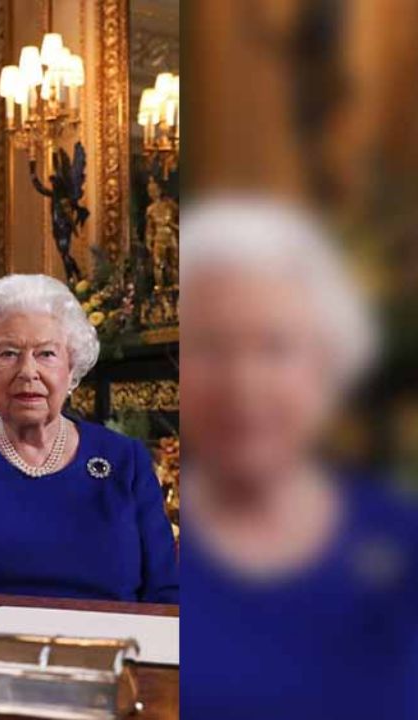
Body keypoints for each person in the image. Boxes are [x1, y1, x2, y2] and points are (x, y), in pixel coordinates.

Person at [177, 198, 418, 719]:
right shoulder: (157, 537)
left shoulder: (401, 537)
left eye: (275, 346)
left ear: (330, 364)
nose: (242, 384)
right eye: (210, 347)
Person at [0, 273, 179, 602]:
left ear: (72, 370)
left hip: (108, 650)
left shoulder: (126, 459)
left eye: (46, 354)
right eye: (8, 353)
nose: (28, 371)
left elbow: (165, 593)